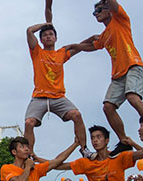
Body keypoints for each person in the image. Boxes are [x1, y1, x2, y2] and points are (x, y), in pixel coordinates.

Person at [69, 0, 143, 157]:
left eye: (99, 10)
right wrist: (74, 46)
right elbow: (89, 46)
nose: (96, 14)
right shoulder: (104, 35)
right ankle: (124, 141)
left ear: (108, 9)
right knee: (108, 107)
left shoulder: (120, 20)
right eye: (94, 12)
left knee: (133, 98)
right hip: (118, 75)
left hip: (132, 65)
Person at [24, 23, 95, 159]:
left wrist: (91, 39)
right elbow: (29, 31)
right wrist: (46, 24)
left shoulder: (61, 53)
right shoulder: (37, 52)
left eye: (51, 34)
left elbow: (79, 47)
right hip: (39, 96)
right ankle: (29, 155)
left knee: (77, 115)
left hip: (58, 97)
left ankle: (84, 149)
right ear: (41, 40)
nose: (48, 36)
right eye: (45, 35)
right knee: (29, 123)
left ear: (56, 38)